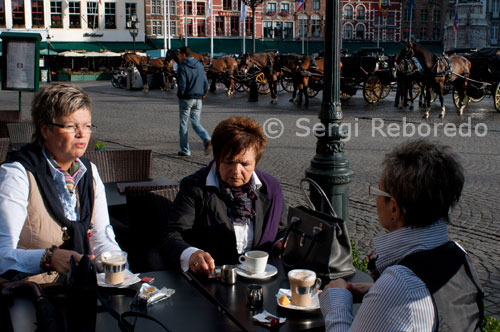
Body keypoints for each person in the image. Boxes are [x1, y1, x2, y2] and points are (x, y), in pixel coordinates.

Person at [320, 139, 483, 332]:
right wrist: (377, 294)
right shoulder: (460, 256)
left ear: (395, 209)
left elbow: (407, 298)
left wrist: (337, 303)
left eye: (378, 191)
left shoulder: (401, 284)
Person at [0, 83, 123, 284]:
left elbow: (102, 239)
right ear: (45, 130)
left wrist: (119, 268)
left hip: (77, 290)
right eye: (71, 126)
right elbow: (2, 255)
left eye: (87, 125)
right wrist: (48, 258)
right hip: (29, 295)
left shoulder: (89, 171)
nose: (82, 134)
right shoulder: (17, 174)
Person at [160, 116, 288, 276]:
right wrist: (191, 254)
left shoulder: (271, 189)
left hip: (260, 279)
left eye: (245, 164)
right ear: (217, 159)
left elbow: (280, 230)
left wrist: (281, 243)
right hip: (211, 280)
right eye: (228, 162)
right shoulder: (195, 187)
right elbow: (172, 235)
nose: (236, 171)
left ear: (256, 162)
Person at [175, 46, 211, 157]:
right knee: (195, 122)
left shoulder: (182, 67)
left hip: (187, 98)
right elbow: (205, 81)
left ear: (184, 55)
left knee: (183, 124)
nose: (178, 56)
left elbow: (182, 84)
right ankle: (207, 138)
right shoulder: (199, 65)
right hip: (198, 98)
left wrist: (180, 94)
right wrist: (204, 93)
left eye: (179, 54)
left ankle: (185, 150)